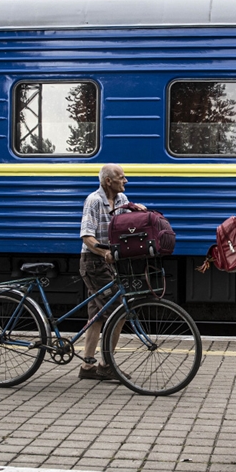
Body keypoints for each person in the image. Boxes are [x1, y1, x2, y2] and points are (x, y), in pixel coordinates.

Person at [77, 163, 144, 381]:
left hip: (111, 262)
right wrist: (102, 250)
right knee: (118, 311)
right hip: (94, 262)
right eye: (122, 177)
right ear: (108, 181)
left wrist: (138, 211)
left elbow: (127, 226)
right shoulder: (94, 201)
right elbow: (87, 236)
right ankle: (107, 365)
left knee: (96, 316)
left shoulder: (123, 200)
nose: (126, 181)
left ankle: (87, 367)